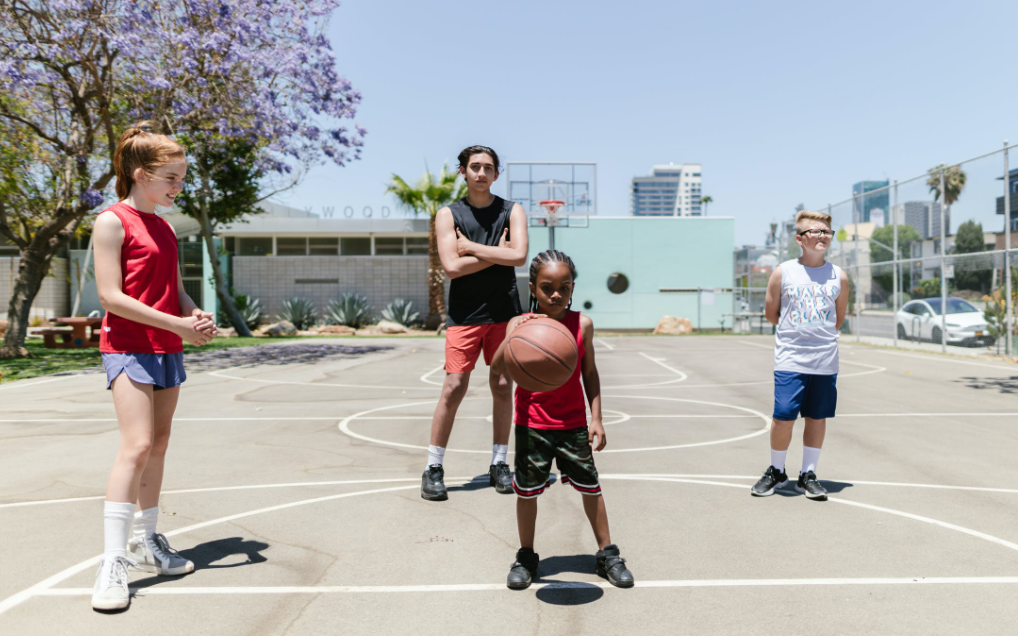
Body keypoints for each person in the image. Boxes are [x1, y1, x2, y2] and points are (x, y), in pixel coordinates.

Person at [91, 123, 217, 611]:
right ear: (141, 174)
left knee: (159, 444)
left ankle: (147, 541)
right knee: (137, 445)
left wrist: (193, 313)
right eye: (171, 177)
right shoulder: (111, 221)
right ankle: (112, 561)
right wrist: (175, 323)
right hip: (127, 346)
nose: (178, 186)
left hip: (167, 346)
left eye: (182, 177)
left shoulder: (165, 227)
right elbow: (110, 296)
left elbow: (176, 287)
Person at [491, 250, 634, 590]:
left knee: (591, 488)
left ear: (573, 288)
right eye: (546, 287)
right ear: (532, 288)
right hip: (532, 424)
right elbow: (498, 366)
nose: (556, 294)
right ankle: (526, 556)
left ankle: (607, 553)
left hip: (573, 424)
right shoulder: (518, 325)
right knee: (527, 493)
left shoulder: (582, 324)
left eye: (564, 287)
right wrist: (514, 336)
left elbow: (590, 374)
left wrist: (596, 418)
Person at [421, 145, 528, 501]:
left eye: (488, 168)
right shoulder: (447, 214)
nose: (481, 173)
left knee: (502, 384)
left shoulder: (513, 210)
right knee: (454, 386)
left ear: (497, 174)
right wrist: (496, 254)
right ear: (463, 172)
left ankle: (499, 462)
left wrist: (472, 248)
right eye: (474, 167)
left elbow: (520, 256)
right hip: (464, 314)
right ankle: (433, 466)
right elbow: (452, 268)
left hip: (504, 312)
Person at [751, 209, 848, 501]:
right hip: (791, 358)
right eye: (814, 232)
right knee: (783, 416)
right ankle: (777, 471)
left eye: (826, 232)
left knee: (817, 417)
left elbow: (838, 319)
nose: (821, 236)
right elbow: (772, 313)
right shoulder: (784, 271)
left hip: (825, 359)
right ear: (799, 239)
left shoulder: (838, 276)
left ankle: (808, 474)